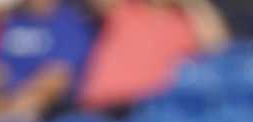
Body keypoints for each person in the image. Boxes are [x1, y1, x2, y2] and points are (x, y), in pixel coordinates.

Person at [75, 0, 227, 114]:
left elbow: (218, 47)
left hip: (142, 109)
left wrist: (193, 4)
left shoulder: (185, 24)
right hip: (96, 106)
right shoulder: (126, 10)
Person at [0, 0, 94, 122]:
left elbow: (57, 80)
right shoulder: (9, 20)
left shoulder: (70, 23)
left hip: (44, 112)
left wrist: (14, 103)